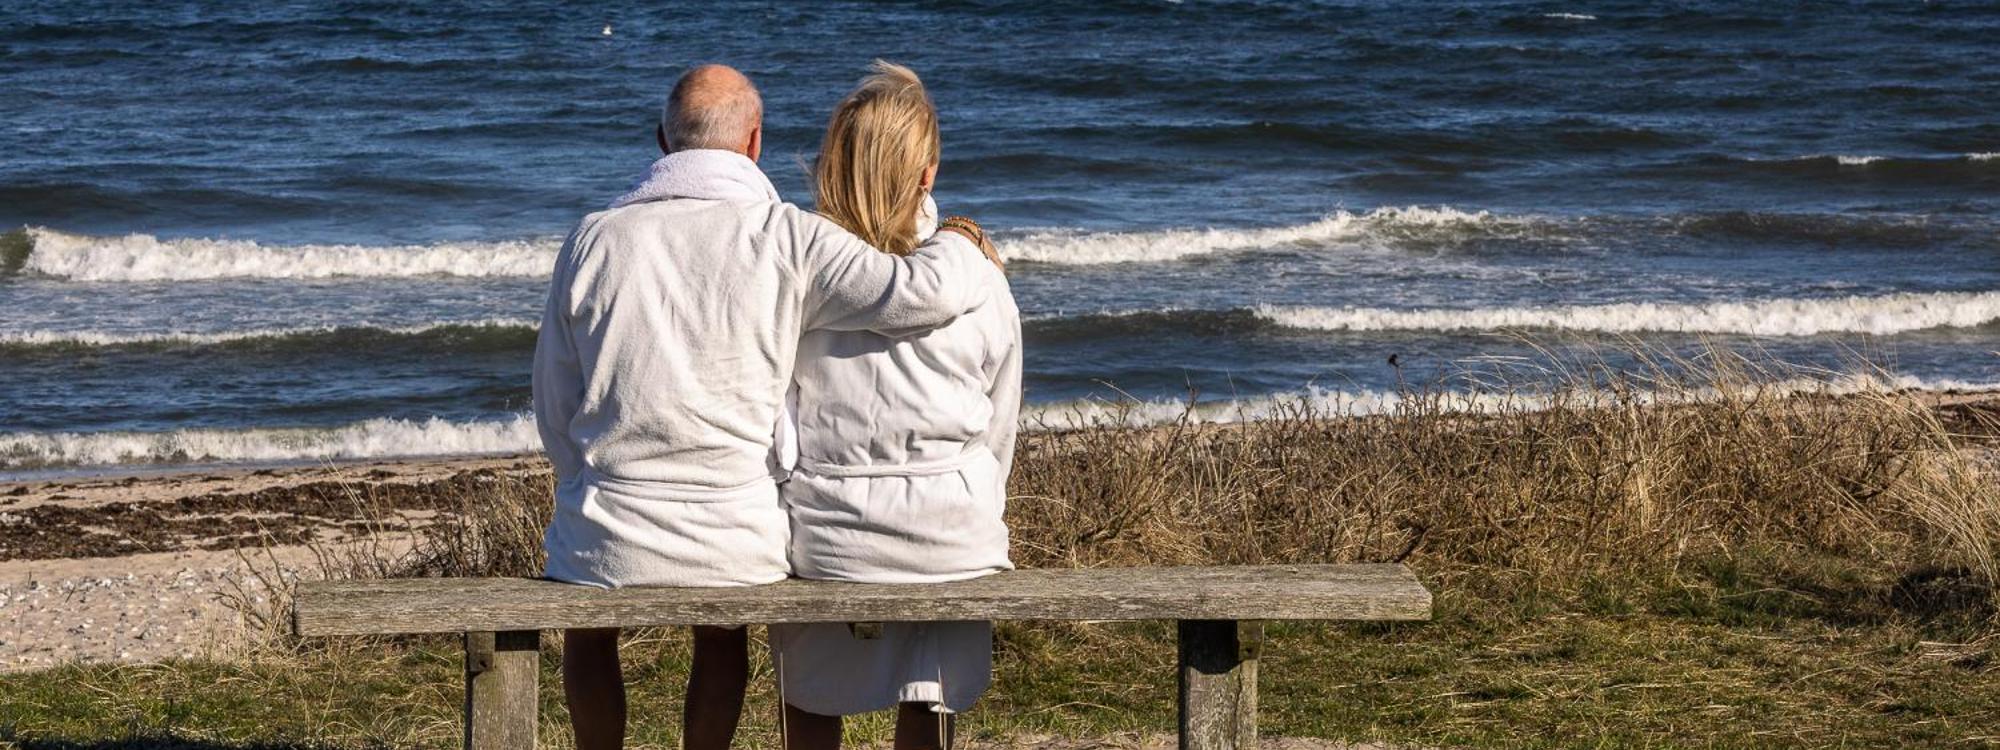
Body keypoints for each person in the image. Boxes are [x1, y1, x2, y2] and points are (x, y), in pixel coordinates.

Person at [531, 64, 1000, 750]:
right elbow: (912, 294)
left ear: (663, 139)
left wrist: (584, 481)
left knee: (588, 628)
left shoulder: (594, 238)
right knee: (724, 633)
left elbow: (556, 400)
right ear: (755, 142)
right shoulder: (787, 236)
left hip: (607, 526)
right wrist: (959, 235)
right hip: (734, 534)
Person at [770, 61, 1022, 750]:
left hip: (832, 536)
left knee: (811, 695)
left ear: (833, 161)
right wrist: (973, 500)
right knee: (930, 694)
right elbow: (1000, 420)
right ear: (927, 173)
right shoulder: (978, 276)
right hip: (951, 533)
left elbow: (776, 427)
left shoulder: (796, 274)